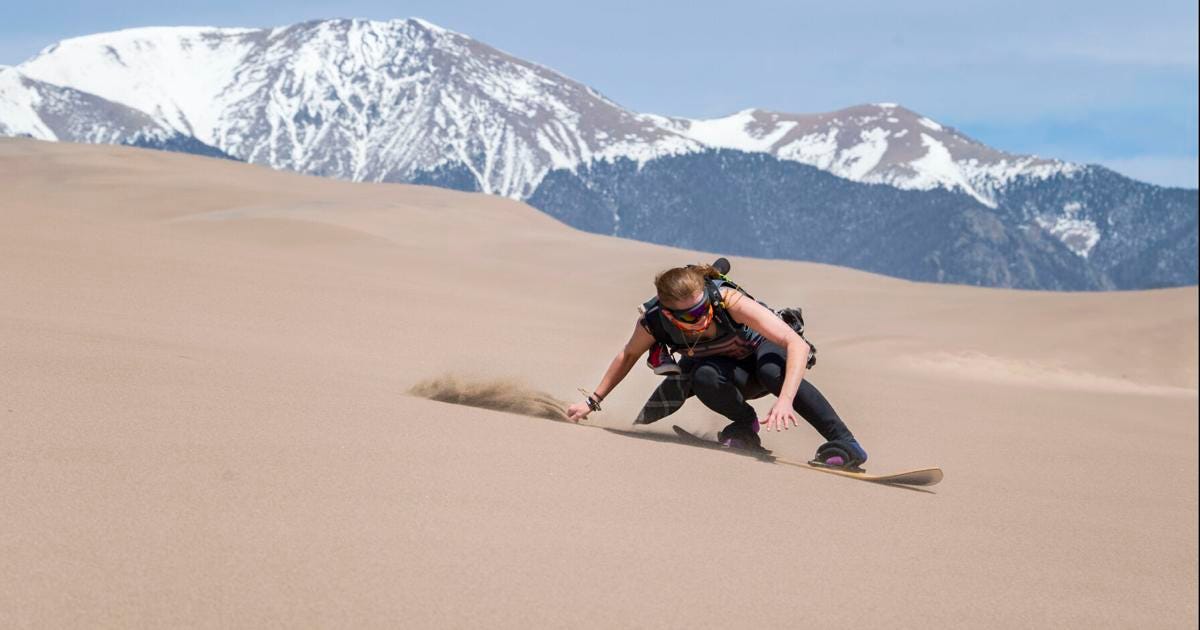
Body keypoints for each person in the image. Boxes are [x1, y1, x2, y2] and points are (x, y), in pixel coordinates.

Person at [566, 262, 868, 468]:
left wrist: (785, 401)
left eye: (701, 308)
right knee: (704, 375)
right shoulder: (654, 322)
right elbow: (627, 355)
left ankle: (846, 444)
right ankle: (743, 426)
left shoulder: (727, 302)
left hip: (766, 360)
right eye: (688, 315)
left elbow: (797, 345)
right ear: (668, 313)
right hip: (732, 375)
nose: (699, 317)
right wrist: (592, 402)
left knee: (771, 370)